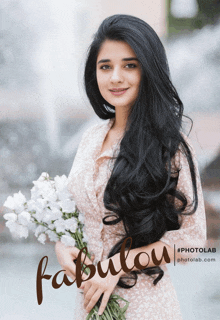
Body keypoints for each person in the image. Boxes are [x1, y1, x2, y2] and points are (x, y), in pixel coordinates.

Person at [55, 14, 206, 320]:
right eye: (105, 66)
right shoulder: (90, 138)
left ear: (149, 70)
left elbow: (192, 244)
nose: (115, 78)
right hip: (91, 304)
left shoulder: (170, 146)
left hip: (145, 307)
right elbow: (79, 214)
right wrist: (62, 247)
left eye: (130, 65)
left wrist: (117, 264)